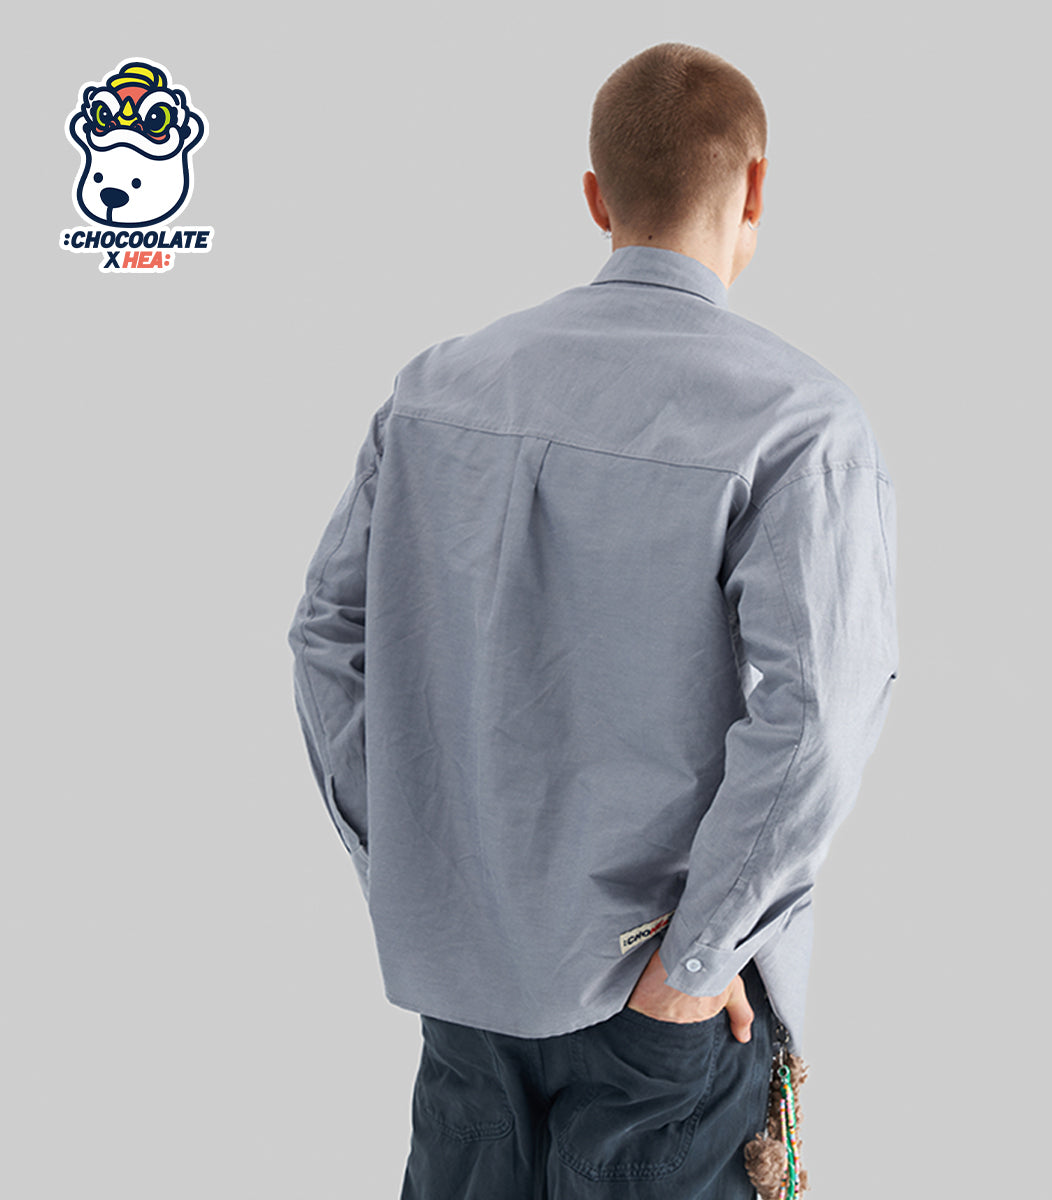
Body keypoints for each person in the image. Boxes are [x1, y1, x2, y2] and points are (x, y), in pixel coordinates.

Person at [287, 41, 898, 1200]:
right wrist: (697, 958)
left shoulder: (435, 388)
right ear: (757, 188)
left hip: (469, 990)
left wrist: (425, 876)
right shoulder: (798, 423)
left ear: (594, 196)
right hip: (662, 1012)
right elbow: (817, 718)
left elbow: (326, 639)